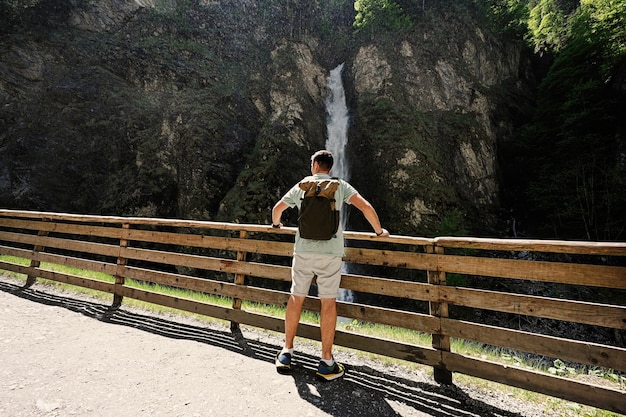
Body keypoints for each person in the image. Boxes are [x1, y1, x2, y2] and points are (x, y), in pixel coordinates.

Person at [271, 149, 389, 381]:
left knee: (296, 297)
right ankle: (326, 361)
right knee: (328, 303)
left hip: (303, 251)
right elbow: (365, 207)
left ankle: (286, 353)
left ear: (314, 165)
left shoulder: (302, 185)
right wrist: (379, 231)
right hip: (330, 254)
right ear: (330, 167)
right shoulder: (340, 185)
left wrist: (277, 226)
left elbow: (277, 210)